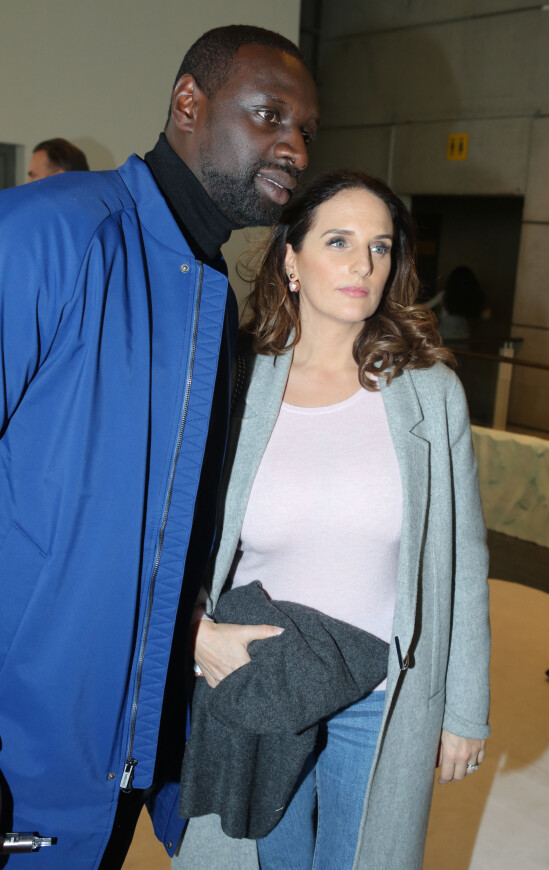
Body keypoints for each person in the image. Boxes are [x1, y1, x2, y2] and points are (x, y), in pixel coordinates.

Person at [0, 24, 318, 869]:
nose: (293, 145)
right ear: (189, 104)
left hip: (123, 747)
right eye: (270, 115)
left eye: (306, 132)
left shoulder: (206, 290)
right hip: (22, 751)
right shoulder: (46, 234)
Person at [174, 170, 491, 870]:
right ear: (291, 258)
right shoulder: (236, 383)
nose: (362, 264)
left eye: (380, 247)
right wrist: (195, 637)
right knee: (268, 860)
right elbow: (173, 538)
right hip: (261, 674)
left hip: (380, 690)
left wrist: (465, 708)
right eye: (340, 241)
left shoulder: (429, 394)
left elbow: (462, 562)